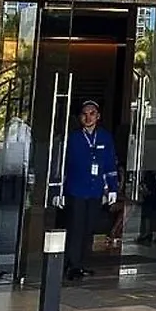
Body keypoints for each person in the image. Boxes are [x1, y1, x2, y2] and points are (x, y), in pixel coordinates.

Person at [54, 100, 120, 281]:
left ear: (98, 116)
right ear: (79, 117)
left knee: (89, 228)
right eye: (84, 114)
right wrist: (58, 191)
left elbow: (110, 163)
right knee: (75, 228)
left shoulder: (105, 137)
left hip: (95, 190)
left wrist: (112, 188)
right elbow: (62, 166)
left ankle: (82, 263)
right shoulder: (73, 138)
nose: (88, 117)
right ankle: (72, 265)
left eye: (92, 114)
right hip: (76, 189)